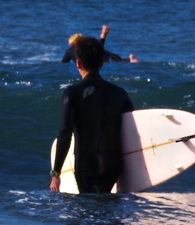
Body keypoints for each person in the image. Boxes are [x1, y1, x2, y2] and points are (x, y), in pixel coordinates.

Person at [50, 37, 136, 194]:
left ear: (78, 64)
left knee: (88, 213)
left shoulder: (73, 93)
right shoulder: (120, 93)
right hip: (114, 166)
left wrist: (56, 173)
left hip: (87, 166)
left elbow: (65, 134)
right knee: (110, 212)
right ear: (102, 63)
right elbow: (131, 129)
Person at [62, 24, 139, 65]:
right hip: (99, 57)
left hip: (89, 63)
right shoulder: (86, 46)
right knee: (106, 55)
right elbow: (99, 48)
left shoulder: (69, 51)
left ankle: (128, 60)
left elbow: (63, 63)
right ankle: (129, 60)